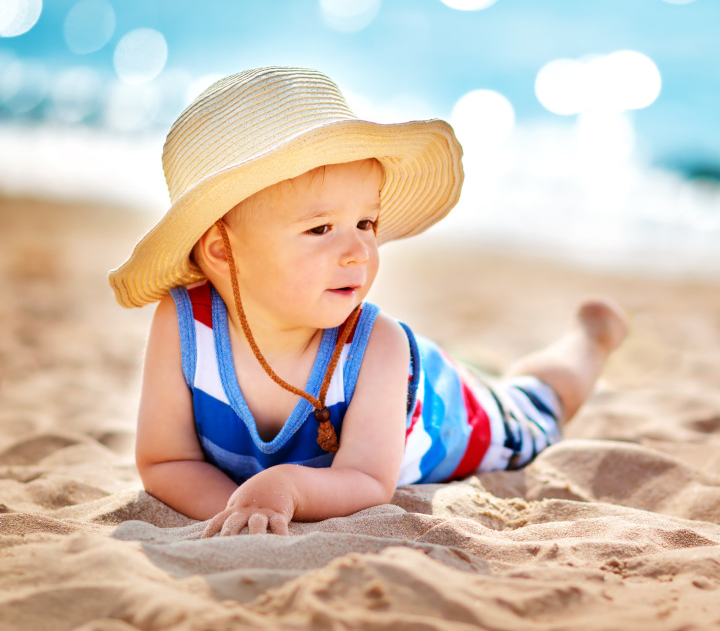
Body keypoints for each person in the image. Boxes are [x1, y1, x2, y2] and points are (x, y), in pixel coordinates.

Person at [109, 67, 627, 537]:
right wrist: (241, 510)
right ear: (222, 251)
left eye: (366, 223)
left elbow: (366, 479)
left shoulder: (376, 342)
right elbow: (165, 461)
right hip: (395, 386)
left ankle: (590, 340)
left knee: (536, 402)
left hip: (452, 416)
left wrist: (283, 490)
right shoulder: (183, 324)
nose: (359, 251)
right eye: (320, 228)